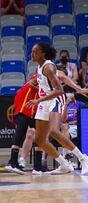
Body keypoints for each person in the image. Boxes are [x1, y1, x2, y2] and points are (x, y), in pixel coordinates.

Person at [26, 42, 88, 175]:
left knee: (54, 131)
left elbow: (59, 90)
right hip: (44, 102)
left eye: (35, 52)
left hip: (54, 100)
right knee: (40, 140)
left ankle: (83, 159)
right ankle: (64, 164)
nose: (32, 54)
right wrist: (80, 89)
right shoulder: (40, 66)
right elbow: (63, 77)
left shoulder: (48, 67)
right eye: (32, 51)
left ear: (43, 53)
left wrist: (38, 100)